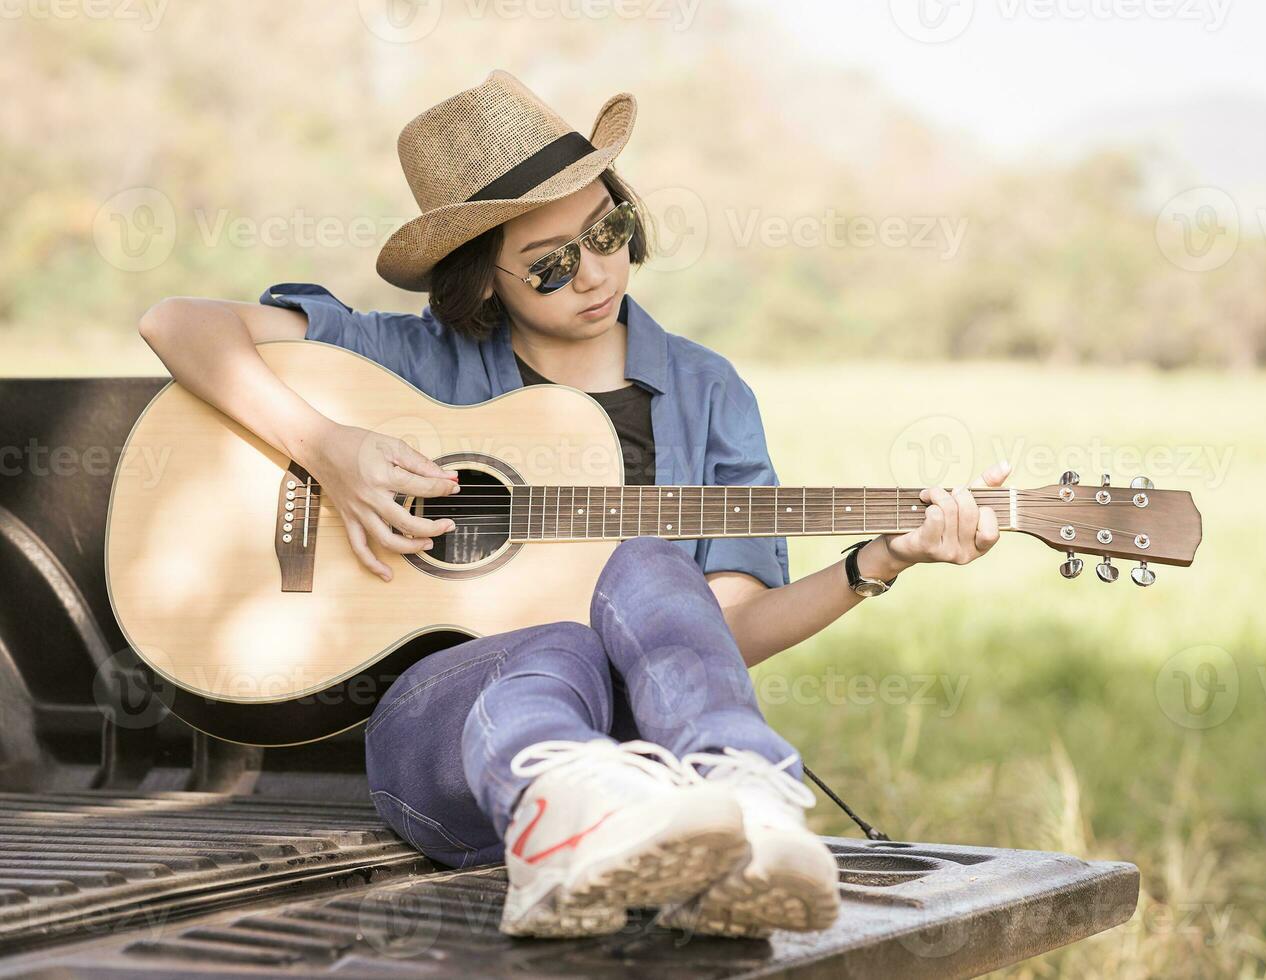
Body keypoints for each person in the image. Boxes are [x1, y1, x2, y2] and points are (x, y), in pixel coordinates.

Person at [137, 69, 1009, 939]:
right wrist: (328, 450)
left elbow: (718, 632)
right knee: (554, 645)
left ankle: (746, 802)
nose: (595, 274)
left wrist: (879, 560)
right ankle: (568, 813)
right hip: (449, 740)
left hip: (651, 760)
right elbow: (177, 323)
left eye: (609, 230)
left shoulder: (708, 393)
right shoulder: (410, 361)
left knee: (648, 561)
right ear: (484, 282)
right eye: (550, 266)